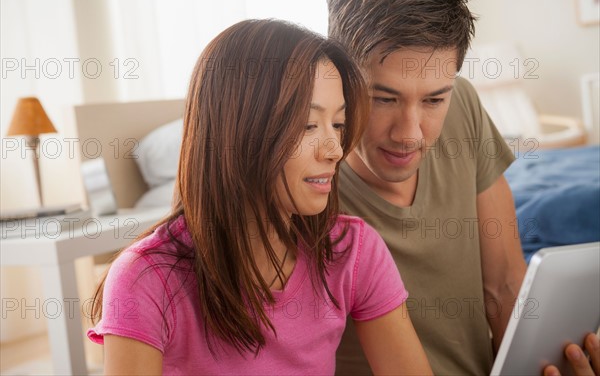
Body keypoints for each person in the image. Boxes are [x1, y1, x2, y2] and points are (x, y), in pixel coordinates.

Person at [87, 19, 432, 375]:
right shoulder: (146, 279)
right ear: (240, 133)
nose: (334, 149)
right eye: (308, 126)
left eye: (339, 125)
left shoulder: (352, 250)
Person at [327, 0, 600, 375]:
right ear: (338, 76)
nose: (410, 134)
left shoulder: (464, 104)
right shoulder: (304, 177)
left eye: (434, 99)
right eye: (383, 98)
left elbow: (505, 284)